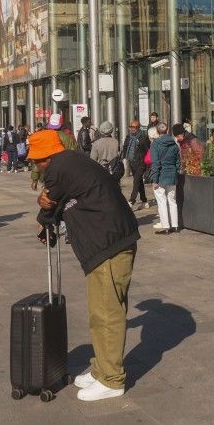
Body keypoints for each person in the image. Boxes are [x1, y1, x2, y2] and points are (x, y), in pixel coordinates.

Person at [30, 131, 139, 402]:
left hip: (108, 244)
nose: (36, 167)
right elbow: (53, 205)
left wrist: (43, 213)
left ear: (45, 157)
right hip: (107, 242)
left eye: (36, 162)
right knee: (99, 311)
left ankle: (112, 379)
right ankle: (101, 367)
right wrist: (46, 212)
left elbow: (49, 204)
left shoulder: (59, 167)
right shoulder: (71, 163)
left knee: (107, 313)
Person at [148, 123, 181, 234]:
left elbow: (155, 163)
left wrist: (155, 180)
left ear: (157, 132)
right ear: (167, 131)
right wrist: (175, 171)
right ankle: (175, 226)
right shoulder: (174, 143)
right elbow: (178, 161)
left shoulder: (155, 144)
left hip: (161, 176)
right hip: (172, 174)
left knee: (161, 202)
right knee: (172, 200)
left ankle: (166, 227)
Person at [120, 120, 151, 209]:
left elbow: (148, 150)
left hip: (141, 162)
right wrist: (123, 157)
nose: (132, 129)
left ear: (138, 128)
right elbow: (125, 147)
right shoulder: (129, 137)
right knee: (139, 181)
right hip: (132, 162)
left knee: (136, 181)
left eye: (134, 127)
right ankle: (144, 201)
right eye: (131, 127)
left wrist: (147, 164)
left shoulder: (143, 137)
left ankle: (131, 201)